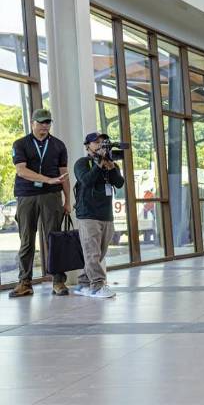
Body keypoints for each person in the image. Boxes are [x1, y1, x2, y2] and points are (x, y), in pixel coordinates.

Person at [8, 109, 70, 298]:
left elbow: (64, 175)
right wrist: (47, 180)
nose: (44, 126)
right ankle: (25, 282)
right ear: (32, 122)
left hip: (52, 197)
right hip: (27, 196)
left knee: (54, 239)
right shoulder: (20, 144)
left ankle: (58, 282)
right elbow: (21, 171)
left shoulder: (58, 145)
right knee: (27, 240)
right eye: (41, 122)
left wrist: (68, 200)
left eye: (47, 123)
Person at [73, 132, 125, 298]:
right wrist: (99, 164)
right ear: (88, 146)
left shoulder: (110, 163)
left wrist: (111, 168)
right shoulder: (82, 163)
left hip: (106, 214)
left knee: (99, 253)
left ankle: (83, 283)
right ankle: (97, 286)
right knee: (92, 253)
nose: (101, 144)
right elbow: (86, 181)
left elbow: (119, 183)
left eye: (103, 142)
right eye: (96, 142)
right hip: (88, 214)